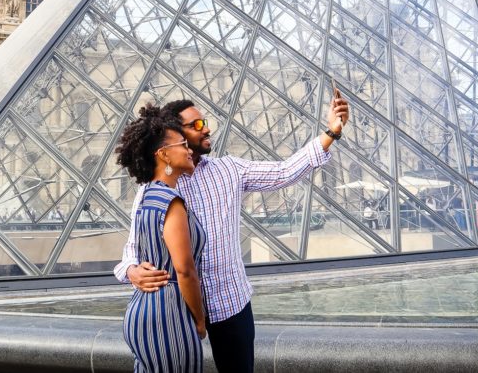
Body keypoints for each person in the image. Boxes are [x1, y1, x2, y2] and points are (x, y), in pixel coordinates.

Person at [115, 91, 348, 373]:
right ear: (175, 135)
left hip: (230, 301)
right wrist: (131, 271)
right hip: (180, 310)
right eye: (196, 125)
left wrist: (331, 132)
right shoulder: (155, 190)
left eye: (205, 122)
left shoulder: (229, 170)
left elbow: (285, 172)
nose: (207, 128)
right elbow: (132, 251)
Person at [116, 104, 206, 372]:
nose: (189, 149)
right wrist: (200, 321)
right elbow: (185, 270)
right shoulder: (171, 201)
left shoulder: (148, 197)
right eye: (182, 145)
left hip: (142, 310)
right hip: (169, 315)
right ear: (164, 155)